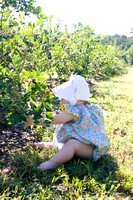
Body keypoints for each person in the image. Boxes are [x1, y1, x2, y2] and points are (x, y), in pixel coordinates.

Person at [24, 75, 111, 171]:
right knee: (71, 142)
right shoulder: (91, 109)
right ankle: (51, 145)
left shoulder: (74, 112)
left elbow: (53, 119)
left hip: (92, 150)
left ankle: (52, 162)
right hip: (92, 145)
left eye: (64, 97)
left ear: (72, 98)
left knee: (72, 144)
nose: (61, 100)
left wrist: (34, 120)